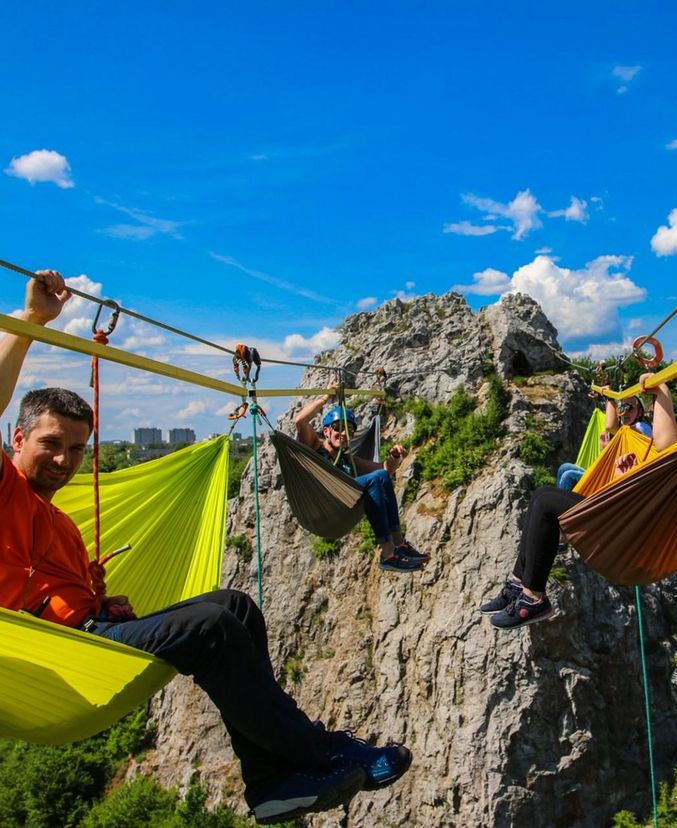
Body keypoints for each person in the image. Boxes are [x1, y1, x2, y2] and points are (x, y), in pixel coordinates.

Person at [0, 271, 412, 824]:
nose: (65, 460)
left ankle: (269, 780)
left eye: (77, 449)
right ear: (17, 440)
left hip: (90, 631)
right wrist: (29, 323)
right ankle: (319, 752)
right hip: (55, 646)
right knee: (210, 630)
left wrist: (105, 600)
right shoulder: (6, 492)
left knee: (235, 606)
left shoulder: (63, 523)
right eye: (51, 445)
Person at [482, 374, 677, 630]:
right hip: (622, 521)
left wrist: (662, 393)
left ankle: (533, 597)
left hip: (632, 539)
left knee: (548, 500)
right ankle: (517, 583)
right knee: (541, 497)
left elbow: (668, 445)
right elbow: (643, 464)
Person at [294, 395, 426, 572]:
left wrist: (394, 456)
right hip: (323, 505)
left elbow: (385, 471)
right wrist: (325, 398)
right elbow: (300, 421)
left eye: (348, 430)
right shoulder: (314, 447)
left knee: (380, 476)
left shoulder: (348, 460)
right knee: (374, 479)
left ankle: (398, 543)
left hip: (342, 506)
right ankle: (388, 554)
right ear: (326, 431)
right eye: (338, 428)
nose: (343, 433)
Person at [556, 393, 653, 491]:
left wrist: (610, 398)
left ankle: (566, 505)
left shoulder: (641, 427)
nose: (625, 412)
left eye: (630, 408)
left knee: (568, 476)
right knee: (564, 467)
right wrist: (606, 447)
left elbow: (610, 426)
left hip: (612, 482)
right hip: (608, 474)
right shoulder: (625, 430)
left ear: (640, 412)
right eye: (622, 408)